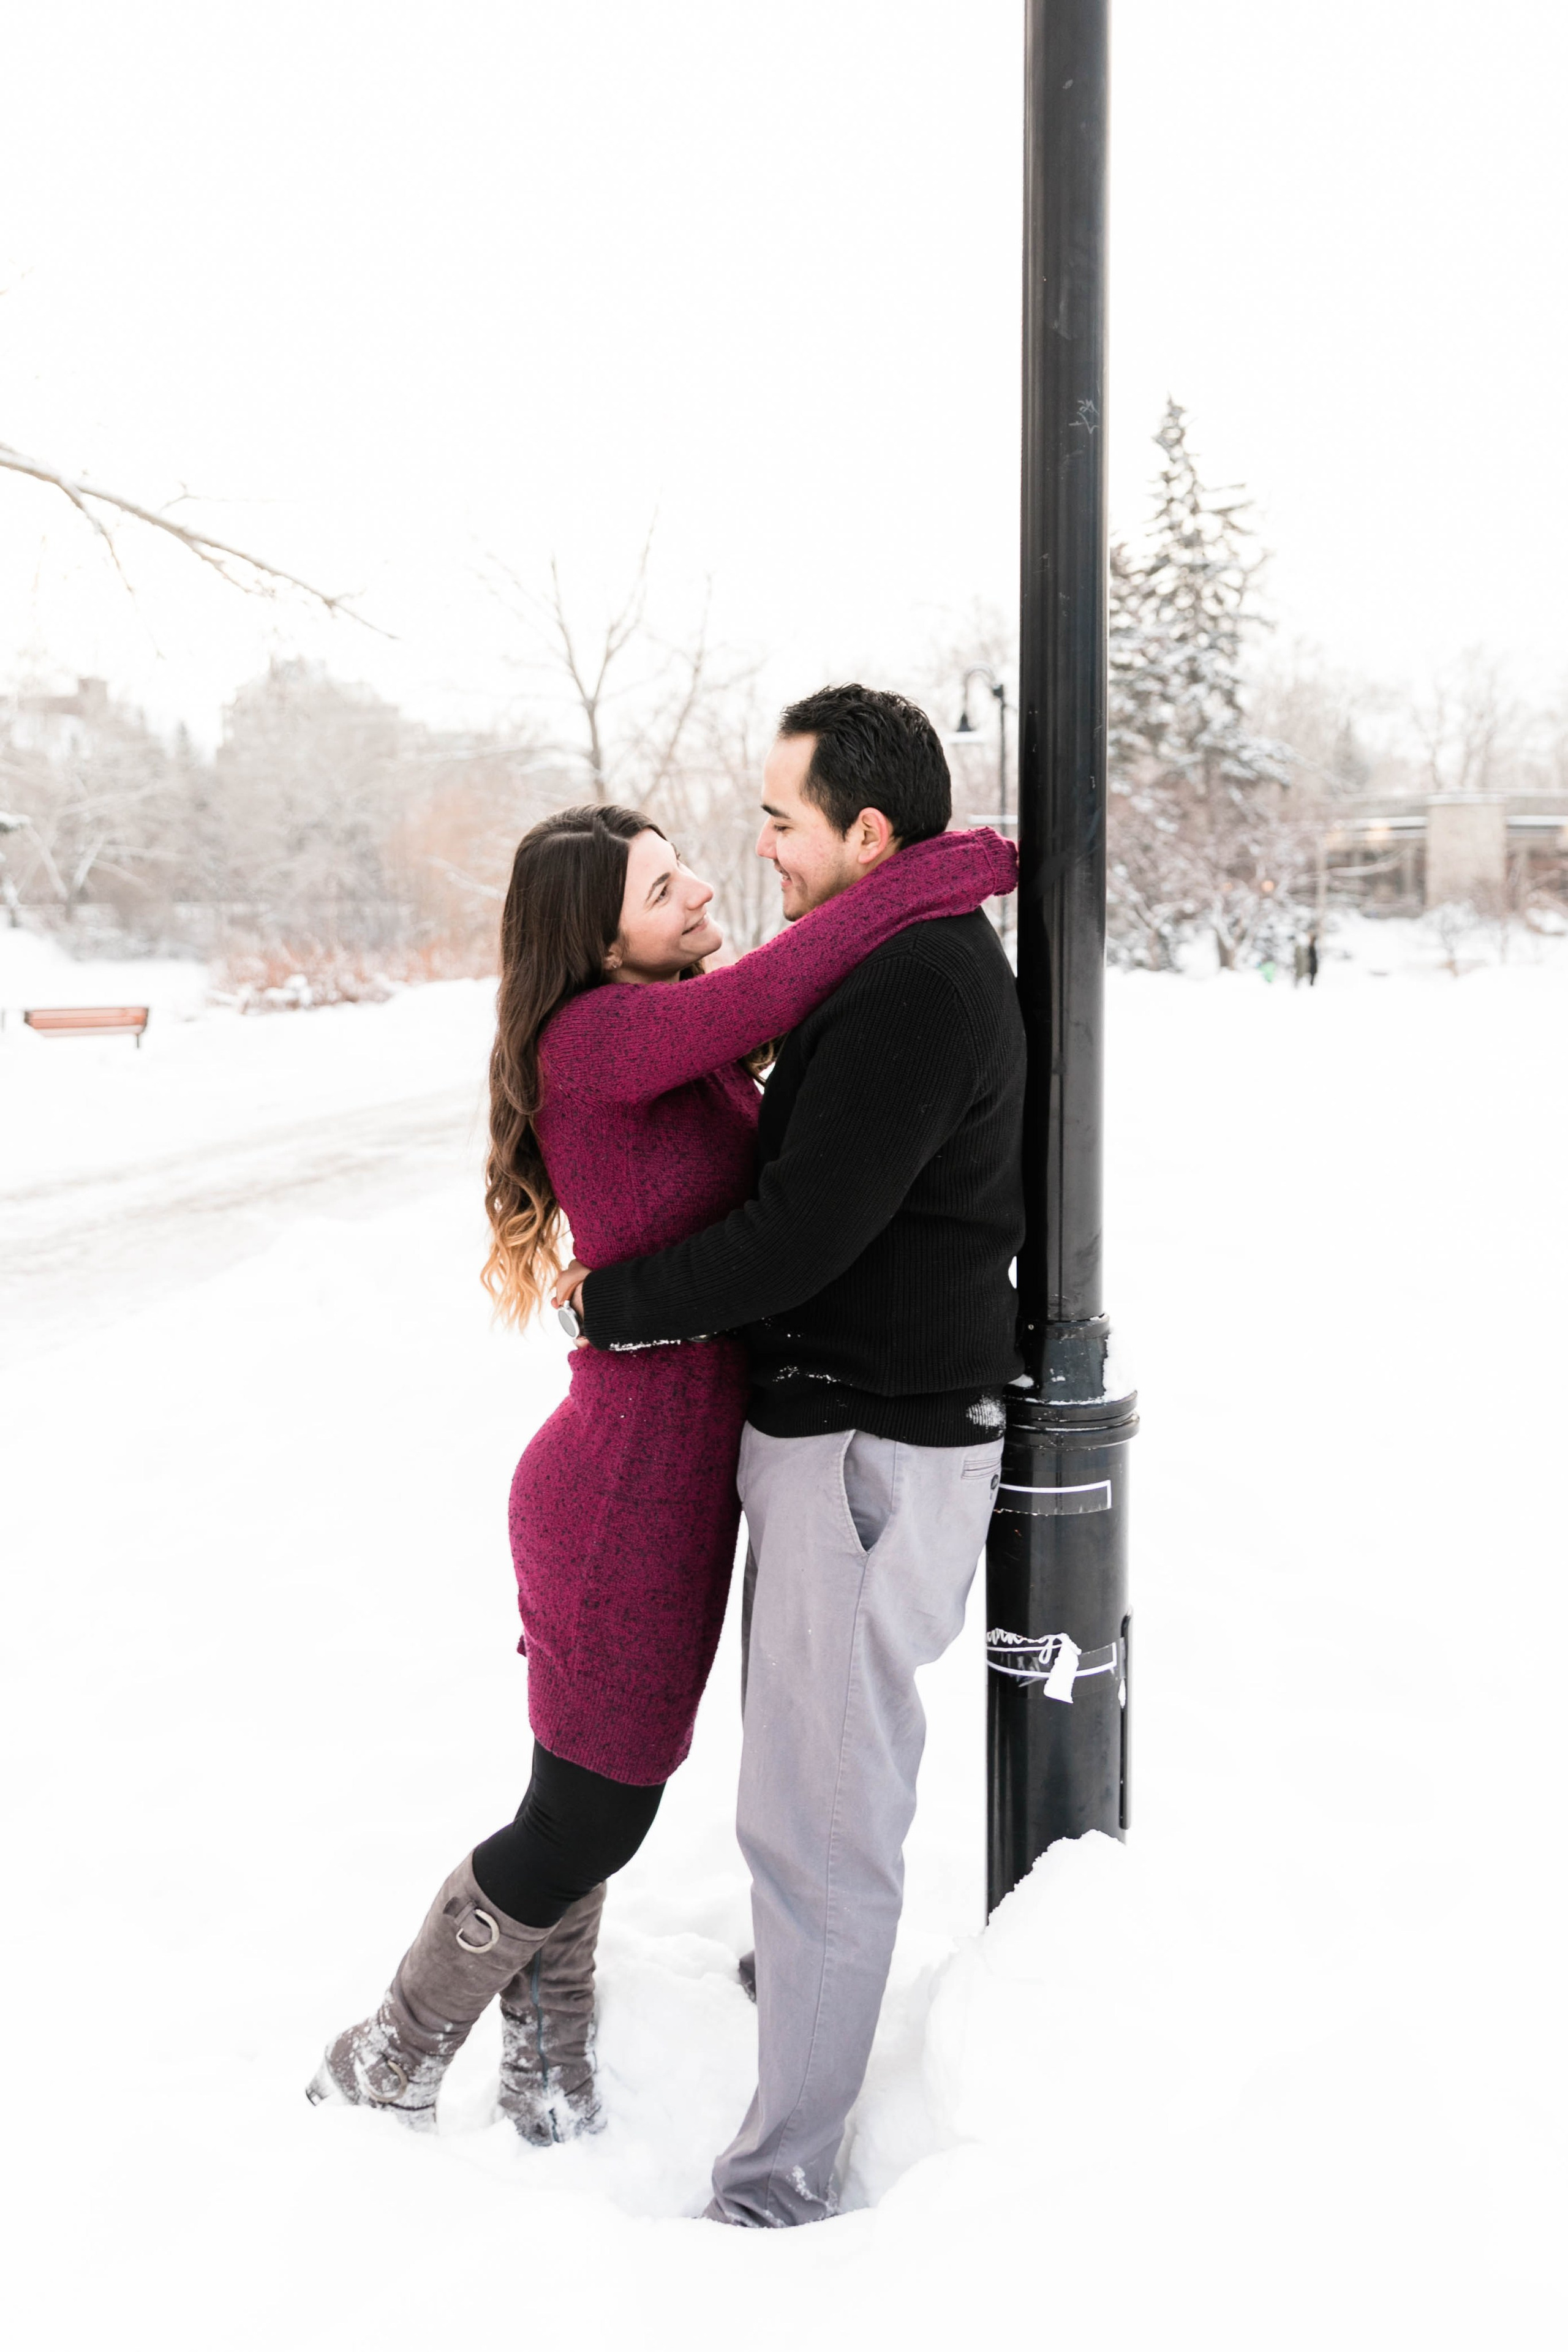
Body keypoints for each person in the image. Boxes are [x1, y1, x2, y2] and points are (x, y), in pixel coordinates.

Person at [305, 791, 1016, 2142]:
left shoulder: (667, 1055)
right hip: (621, 1494)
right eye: (660, 889)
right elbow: (794, 971)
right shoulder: (599, 1037)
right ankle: (389, 2048)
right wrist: (960, 865)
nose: (698, 891)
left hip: (670, 1482)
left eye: (684, 868)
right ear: (602, 943)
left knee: (583, 1794)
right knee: (593, 1815)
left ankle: (547, 2049)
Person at [557, 684, 1028, 2225]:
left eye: (778, 816)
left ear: (866, 833)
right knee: (813, 1790)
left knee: (817, 1823)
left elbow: (797, 1235)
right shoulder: (891, 957)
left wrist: (619, 1301)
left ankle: (776, 2186)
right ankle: (804, 2022)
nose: (755, 843)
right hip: (846, 1445)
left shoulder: (910, 987)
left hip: (864, 1448)